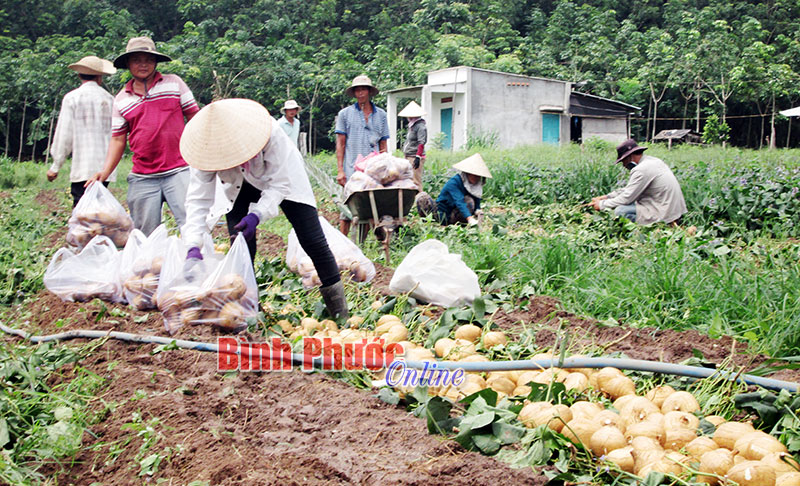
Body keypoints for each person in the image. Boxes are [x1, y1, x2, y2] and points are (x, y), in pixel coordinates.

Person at [179, 98, 348, 318]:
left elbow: (279, 184)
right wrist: (193, 244)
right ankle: (246, 312)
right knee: (240, 244)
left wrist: (257, 215)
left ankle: (340, 312)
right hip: (237, 186)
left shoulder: (270, 133)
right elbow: (197, 200)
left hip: (282, 179)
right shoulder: (204, 151)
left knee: (312, 239)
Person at [87, 36, 199, 236]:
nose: (143, 64)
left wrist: (203, 154)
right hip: (143, 175)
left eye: (148, 59)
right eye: (137, 60)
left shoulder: (174, 84)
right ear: (128, 64)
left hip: (179, 169)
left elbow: (194, 117)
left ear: (155, 62)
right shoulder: (122, 99)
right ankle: (151, 267)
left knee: (193, 225)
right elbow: (118, 139)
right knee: (144, 234)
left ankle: (197, 264)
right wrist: (104, 172)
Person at [48, 56, 117, 207]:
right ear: (100, 77)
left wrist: (55, 166)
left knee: (81, 209)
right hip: (104, 166)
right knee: (100, 207)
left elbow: (64, 135)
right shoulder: (110, 99)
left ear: (79, 75)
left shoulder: (72, 98)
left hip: (82, 166)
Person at [334, 75, 389, 235]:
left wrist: (385, 167)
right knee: (347, 210)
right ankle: (343, 242)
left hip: (373, 169)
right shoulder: (345, 114)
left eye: (363, 89)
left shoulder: (381, 115)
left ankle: (364, 243)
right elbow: (341, 143)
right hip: (352, 169)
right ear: (354, 93)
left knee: (370, 205)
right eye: (357, 90)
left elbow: (383, 144)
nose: (360, 93)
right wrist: (340, 170)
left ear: (369, 92)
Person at [590, 139, 687, 225]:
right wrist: (606, 197)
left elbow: (627, 198)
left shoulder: (641, 169)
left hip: (663, 211)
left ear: (630, 157)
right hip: (672, 209)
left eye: (623, 161)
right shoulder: (653, 161)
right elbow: (631, 189)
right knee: (624, 205)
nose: (624, 165)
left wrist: (602, 205)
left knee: (621, 211)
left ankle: (661, 225)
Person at [416, 153, 492, 226]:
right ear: (468, 173)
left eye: (479, 176)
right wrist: (470, 219)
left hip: (454, 215)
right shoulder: (454, 182)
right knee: (422, 198)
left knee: (470, 201)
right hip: (440, 213)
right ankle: (429, 223)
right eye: (475, 175)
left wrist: (478, 211)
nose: (477, 178)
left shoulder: (475, 185)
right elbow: (459, 201)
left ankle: (458, 224)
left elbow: (476, 199)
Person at [398, 101, 427, 190]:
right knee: (408, 180)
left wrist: (418, 157)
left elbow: (421, 142)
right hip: (409, 155)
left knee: (416, 181)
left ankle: (420, 201)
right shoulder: (412, 126)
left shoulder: (421, 126)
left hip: (415, 157)